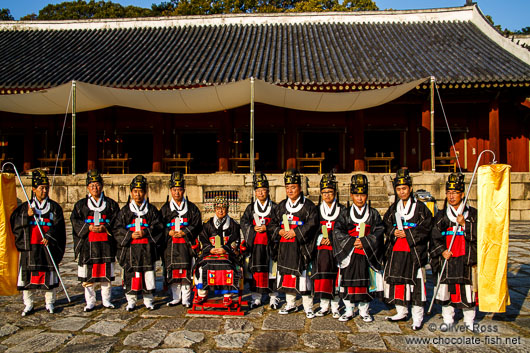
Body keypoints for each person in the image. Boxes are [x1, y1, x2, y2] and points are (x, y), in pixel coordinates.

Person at [10, 170, 66, 316]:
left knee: (49, 275)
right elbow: (15, 223)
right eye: (41, 187)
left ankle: (50, 302)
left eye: (46, 187)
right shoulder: (25, 208)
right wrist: (26, 215)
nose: (44, 190)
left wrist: (50, 236)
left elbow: (59, 226)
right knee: (28, 277)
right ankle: (28, 303)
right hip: (31, 247)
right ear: (34, 189)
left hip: (46, 246)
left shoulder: (54, 208)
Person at [382, 168, 433, 330]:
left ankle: (417, 316)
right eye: (398, 189)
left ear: (410, 189)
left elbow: (426, 228)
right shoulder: (394, 208)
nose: (401, 192)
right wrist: (393, 232)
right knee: (398, 282)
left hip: (413, 252)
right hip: (397, 250)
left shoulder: (421, 208)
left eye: (404, 189)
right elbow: (386, 224)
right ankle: (401, 311)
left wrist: (408, 234)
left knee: (416, 283)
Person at [333, 174, 385, 322]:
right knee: (348, 282)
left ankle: (364, 310)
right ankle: (349, 309)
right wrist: (351, 241)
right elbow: (337, 231)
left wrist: (366, 241)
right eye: (356, 195)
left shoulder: (373, 214)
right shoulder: (345, 213)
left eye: (362, 195)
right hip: (349, 252)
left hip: (366, 252)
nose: (360, 198)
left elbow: (379, 230)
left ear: (366, 195)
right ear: (351, 195)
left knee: (364, 283)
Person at [430, 173, 478, 331]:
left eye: (455, 193)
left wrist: (465, 224)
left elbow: (481, 235)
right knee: (447, 289)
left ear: (462, 194)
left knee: (467, 290)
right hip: (448, 258)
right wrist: (442, 250)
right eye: (448, 193)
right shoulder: (441, 216)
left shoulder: (472, 214)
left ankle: (469, 319)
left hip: (465, 258)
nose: (451, 196)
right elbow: (434, 237)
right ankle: (448, 318)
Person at [270, 168, 318, 318]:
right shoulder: (281, 206)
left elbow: (312, 224)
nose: (290, 191)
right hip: (285, 247)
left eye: (293, 187)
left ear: (300, 188)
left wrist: (296, 232)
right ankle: (290, 303)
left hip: (301, 247)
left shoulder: (309, 206)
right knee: (287, 276)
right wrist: (279, 231)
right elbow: (271, 223)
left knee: (303, 277)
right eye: (288, 188)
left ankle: (308, 306)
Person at [71, 169, 120, 311]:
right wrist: (88, 227)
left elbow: (117, 221)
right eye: (92, 185)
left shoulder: (111, 204)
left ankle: (106, 300)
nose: (95, 188)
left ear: (102, 186)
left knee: (105, 275)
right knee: (88, 277)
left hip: (105, 245)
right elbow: (75, 221)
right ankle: (90, 301)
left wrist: (106, 227)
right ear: (87, 187)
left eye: (97, 185)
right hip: (88, 246)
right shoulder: (80, 205)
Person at [114, 175, 164, 311]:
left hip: (146, 248)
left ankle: (148, 299)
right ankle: (131, 300)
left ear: (145, 192)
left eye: (140, 191)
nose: (138, 194)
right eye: (135, 191)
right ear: (131, 193)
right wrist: (130, 235)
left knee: (148, 273)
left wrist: (145, 232)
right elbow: (117, 229)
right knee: (131, 274)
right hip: (131, 249)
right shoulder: (124, 212)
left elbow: (159, 226)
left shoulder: (152, 210)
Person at [159, 171, 202, 308]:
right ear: (170, 191)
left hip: (186, 244)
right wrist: (169, 232)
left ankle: (186, 298)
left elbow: (196, 224)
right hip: (171, 244)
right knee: (174, 271)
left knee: (186, 271)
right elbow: (159, 226)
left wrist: (184, 232)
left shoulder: (192, 208)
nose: (177, 193)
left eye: (179, 190)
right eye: (174, 190)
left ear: (184, 190)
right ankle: (176, 297)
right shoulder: (165, 209)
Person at [193, 195, 242, 306]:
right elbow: (203, 239)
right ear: (214, 209)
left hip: (227, 255)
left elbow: (236, 240)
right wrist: (210, 249)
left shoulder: (234, 224)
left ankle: (227, 295)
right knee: (201, 267)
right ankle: (202, 293)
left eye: (223, 208)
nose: (220, 210)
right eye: (218, 208)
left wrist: (225, 249)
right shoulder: (207, 224)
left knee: (229, 267)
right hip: (210, 254)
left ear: (227, 209)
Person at [240, 172, 279, 309]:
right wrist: (253, 228)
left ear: (268, 191)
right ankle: (256, 297)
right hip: (255, 246)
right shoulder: (251, 208)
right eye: (258, 190)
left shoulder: (275, 208)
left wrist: (267, 228)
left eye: (263, 190)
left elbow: (278, 225)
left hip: (269, 245)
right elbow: (244, 222)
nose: (261, 193)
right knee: (255, 271)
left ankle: (273, 297)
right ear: (255, 192)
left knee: (272, 271)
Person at [311, 173, 345, 318]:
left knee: (336, 277)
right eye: (324, 192)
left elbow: (345, 229)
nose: (327, 195)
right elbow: (312, 229)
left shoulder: (343, 210)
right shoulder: (316, 210)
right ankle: (324, 305)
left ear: (335, 193)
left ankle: (336, 306)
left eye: (330, 192)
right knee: (323, 275)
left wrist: (332, 238)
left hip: (337, 248)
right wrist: (320, 238)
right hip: (322, 248)